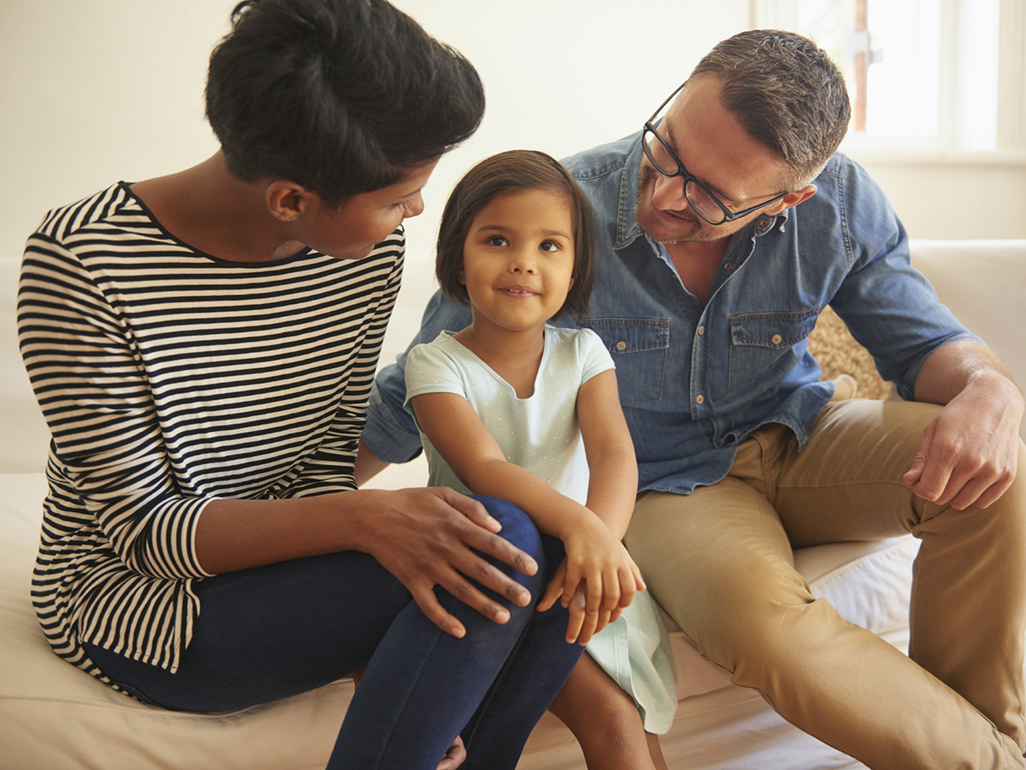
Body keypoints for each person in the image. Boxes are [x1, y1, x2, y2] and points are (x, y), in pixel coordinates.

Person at [360, 29, 1026, 770]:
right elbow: (416, 388)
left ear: (790, 198)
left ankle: (987, 737)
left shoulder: (836, 204)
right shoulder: (561, 211)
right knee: (764, 624)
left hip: (804, 432)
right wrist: (300, 515)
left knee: (996, 474)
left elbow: (924, 343)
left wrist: (989, 388)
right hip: (670, 489)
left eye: (709, 195)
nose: (665, 193)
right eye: (668, 147)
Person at [17, 2, 586, 769]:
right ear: (290, 199)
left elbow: (320, 456)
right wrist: (363, 523)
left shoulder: (362, 255)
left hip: (287, 559)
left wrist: (370, 622)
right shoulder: (81, 263)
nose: (416, 210)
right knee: (506, 543)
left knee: (546, 545)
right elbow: (145, 532)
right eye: (394, 199)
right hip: (140, 605)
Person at [402, 149, 677, 770]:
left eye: (551, 246)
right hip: (497, 572)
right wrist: (578, 527)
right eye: (498, 239)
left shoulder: (584, 353)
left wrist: (600, 542)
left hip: (583, 567)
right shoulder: (436, 365)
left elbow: (613, 457)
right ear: (455, 254)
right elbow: (487, 470)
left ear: (578, 265)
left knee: (629, 727)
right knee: (610, 719)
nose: (524, 262)